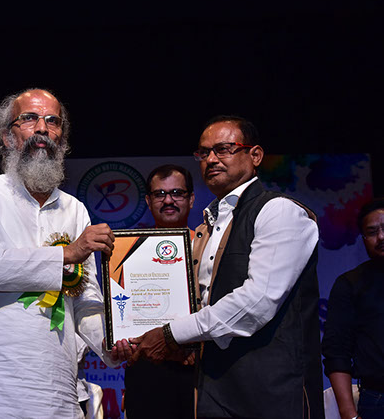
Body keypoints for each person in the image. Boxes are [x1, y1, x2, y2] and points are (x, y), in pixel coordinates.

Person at [115, 115, 323, 418]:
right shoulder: (208, 228)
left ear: (255, 155)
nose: (211, 159)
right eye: (203, 152)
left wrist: (171, 334)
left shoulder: (278, 211)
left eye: (224, 149)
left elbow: (257, 302)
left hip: (271, 392)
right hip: (214, 390)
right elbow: (200, 304)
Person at [0, 88, 122, 419]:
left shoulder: (76, 210)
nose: (42, 128)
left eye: (53, 121)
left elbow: (85, 299)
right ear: (7, 137)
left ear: (62, 139)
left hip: (57, 387)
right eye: (29, 118)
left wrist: (112, 345)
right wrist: (66, 254)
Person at [123, 164, 196, 419]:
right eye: (159, 194)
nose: (168, 200)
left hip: (197, 370)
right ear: (148, 201)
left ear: (191, 199)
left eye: (177, 193)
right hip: (147, 370)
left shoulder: (208, 249)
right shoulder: (128, 252)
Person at [322, 198, 384, 419]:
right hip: (378, 399)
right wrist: (349, 414)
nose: (381, 237)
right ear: (363, 239)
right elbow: (337, 352)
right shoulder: (350, 284)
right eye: (372, 232)